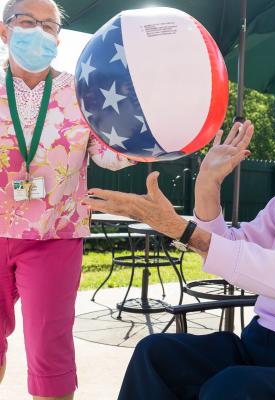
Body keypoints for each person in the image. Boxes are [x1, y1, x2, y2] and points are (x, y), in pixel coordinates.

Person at [84, 82, 275, 400]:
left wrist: (179, 228)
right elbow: (233, 251)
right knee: (157, 354)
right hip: (264, 345)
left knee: (232, 389)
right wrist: (208, 185)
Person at [0, 1, 135, 399]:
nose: (40, 32)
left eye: (49, 25)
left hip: (55, 235)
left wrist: (156, 128)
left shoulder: (81, 93)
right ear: (5, 31)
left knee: (50, 351)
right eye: (28, 22)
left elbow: (112, 157)